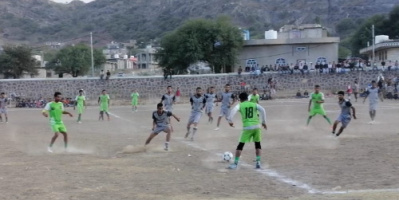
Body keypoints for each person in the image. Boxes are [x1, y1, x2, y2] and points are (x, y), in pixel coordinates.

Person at [226, 92, 267, 169]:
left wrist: (230, 122)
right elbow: (263, 110)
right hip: (257, 126)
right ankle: (258, 162)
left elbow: (232, 112)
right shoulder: (253, 104)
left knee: (240, 145)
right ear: (247, 98)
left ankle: (235, 164)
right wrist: (264, 122)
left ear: (240, 99)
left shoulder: (240, 105)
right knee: (258, 144)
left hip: (247, 127)